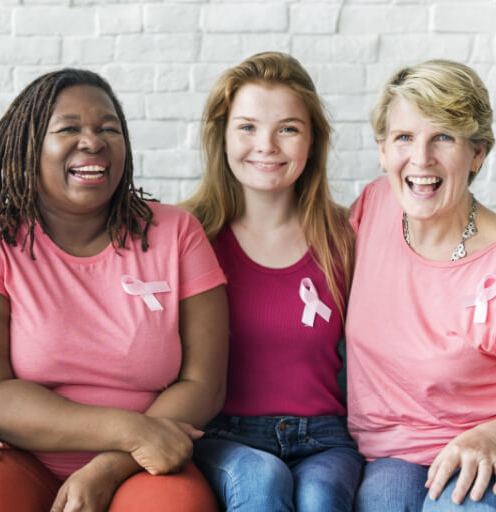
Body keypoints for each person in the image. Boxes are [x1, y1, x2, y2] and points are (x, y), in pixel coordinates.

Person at [0, 68, 228, 512]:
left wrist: (111, 465)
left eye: (108, 129)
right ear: (29, 148)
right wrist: (131, 432)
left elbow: (205, 384)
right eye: (69, 129)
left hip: (140, 464)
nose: (93, 142)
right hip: (11, 454)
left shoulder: (177, 233)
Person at [182, 51, 361, 511]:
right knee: (261, 481)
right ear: (221, 137)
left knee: (321, 498)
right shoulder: (188, 236)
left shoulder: (348, 236)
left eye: (288, 128)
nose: (267, 145)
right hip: (224, 436)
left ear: (312, 141)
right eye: (247, 127)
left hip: (325, 438)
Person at [348, 60, 496, 511]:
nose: (421, 159)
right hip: (391, 455)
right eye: (404, 137)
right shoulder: (374, 207)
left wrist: (490, 437)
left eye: (443, 136)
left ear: (477, 153)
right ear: (383, 150)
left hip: (487, 449)